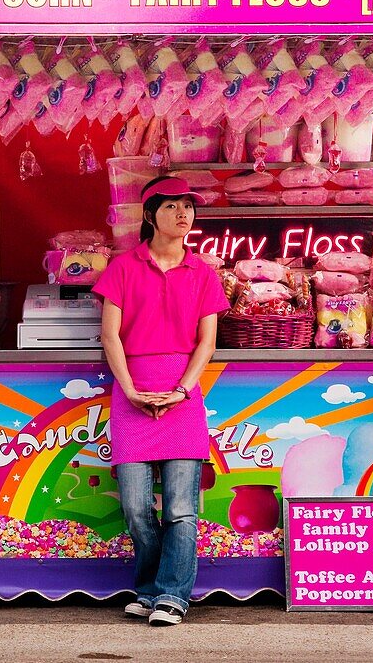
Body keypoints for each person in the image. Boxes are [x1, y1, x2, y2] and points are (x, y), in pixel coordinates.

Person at [92, 176, 230, 626]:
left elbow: (207, 343)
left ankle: (172, 594)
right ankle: (149, 588)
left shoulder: (203, 272)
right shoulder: (123, 267)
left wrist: (183, 390)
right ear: (151, 215)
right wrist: (129, 389)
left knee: (180, 508)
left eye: (188, 207)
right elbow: (109, 335)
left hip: (182, 395)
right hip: (131, 391)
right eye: (171, 206)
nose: (182, 214)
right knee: (135, 507)